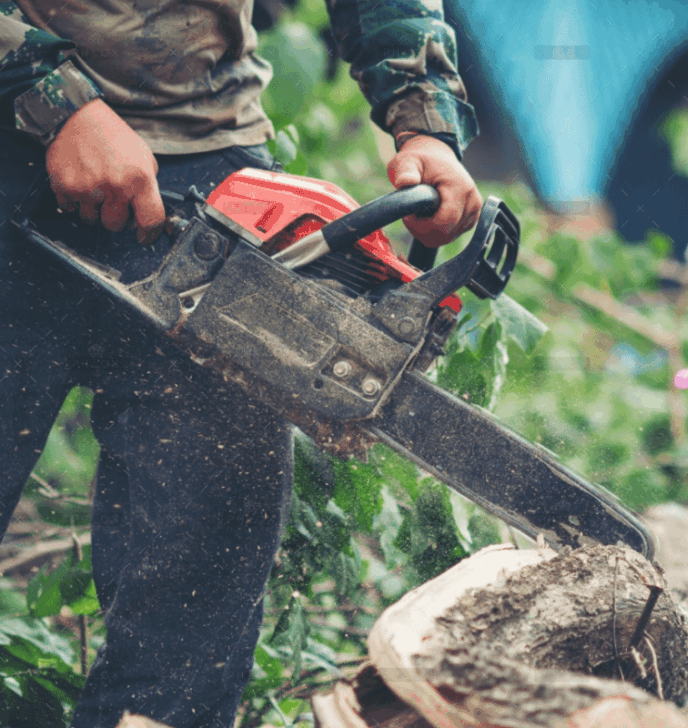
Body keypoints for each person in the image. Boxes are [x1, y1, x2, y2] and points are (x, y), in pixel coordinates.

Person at [0, 0, 482, 725]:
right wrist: (51, 98)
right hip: (10, 138)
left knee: (192, 603)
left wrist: (424, 122)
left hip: (210, 163)